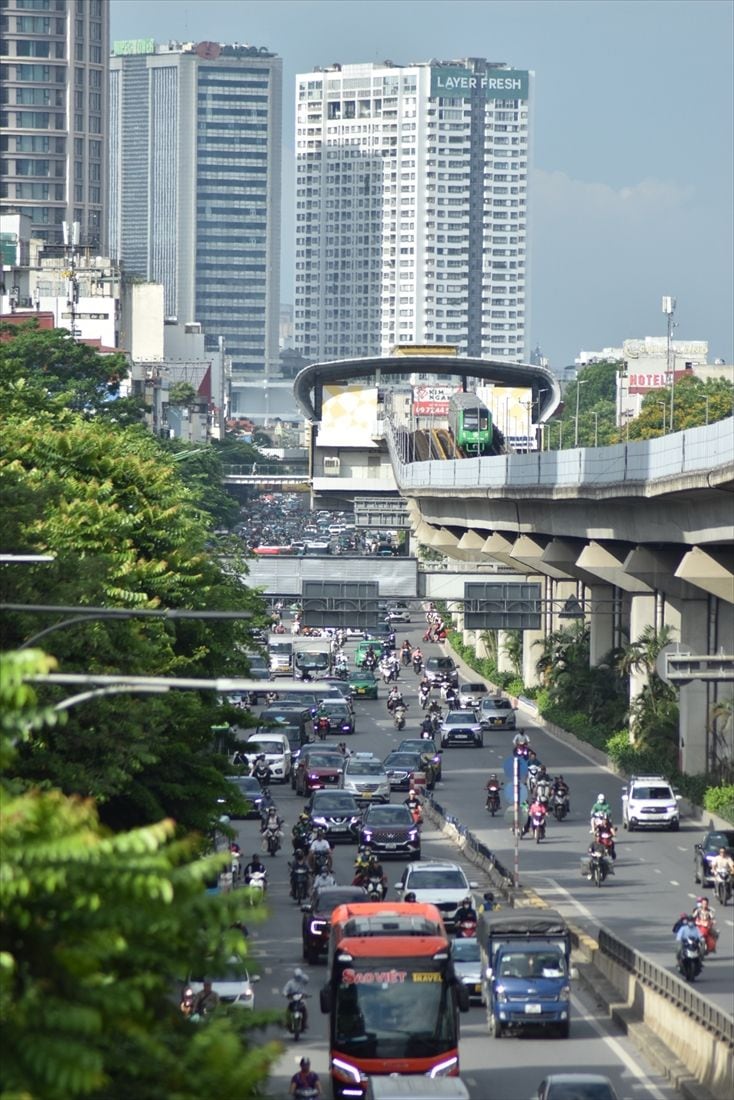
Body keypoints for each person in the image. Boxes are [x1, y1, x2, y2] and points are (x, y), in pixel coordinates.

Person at [283, 967, 310, 1032]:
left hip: (301, 998)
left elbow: (307, 979)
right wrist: (285, 994)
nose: (298, 977)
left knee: (305, 1009)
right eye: (297, 976)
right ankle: (288, 1022)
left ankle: (304, 1023)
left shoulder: (303, 981)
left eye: (299, 976)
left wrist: (302, 975)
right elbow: (285, 989)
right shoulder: (290, 982)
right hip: (293, 998)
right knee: (288, 1010)